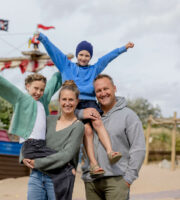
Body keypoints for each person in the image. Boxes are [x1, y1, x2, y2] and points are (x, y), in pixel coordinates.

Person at [37, 32, 134, 175]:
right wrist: (43, 38)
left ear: (90, 57)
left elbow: (107, 58)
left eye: (87, 55)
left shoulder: (94, 69)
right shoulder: (66, 66)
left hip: (90, 103)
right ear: (77, 55)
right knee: (87, 131)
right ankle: (93, 164)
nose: (83, 58)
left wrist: (123, 48)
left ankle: (110, 152)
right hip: (73, 103)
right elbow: (54, 51)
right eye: (81, 54)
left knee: (97, 122)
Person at [0, 61, 62, 199]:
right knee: (55, 162)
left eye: (41, 89)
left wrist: (61, 70)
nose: (38, 92)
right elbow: (6, 87)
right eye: (35, 88)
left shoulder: (44, 100)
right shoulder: (21, 98)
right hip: (30, 144)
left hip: (42, 145)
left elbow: (53, 83)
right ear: (27, 86)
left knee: (53, 163)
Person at [79, 74, 145, 200]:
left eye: (106, 89)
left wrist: (128, 180)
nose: (103, 93)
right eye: (98, 91)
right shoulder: (88, 115)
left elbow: (139, 149)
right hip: (91, 180)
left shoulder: (129, 116)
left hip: (117, 181)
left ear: (114, 88)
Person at [22, 80, 84, 200]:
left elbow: (66, 155)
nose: (67, 103)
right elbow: (31, 137)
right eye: (64, 99)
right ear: (59, 100)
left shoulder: (78, 126)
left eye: (71, 100)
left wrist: (37, 162)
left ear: (77, 101)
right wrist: (23, 156)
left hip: (60, 177)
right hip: (37, 176)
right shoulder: (48, 119)